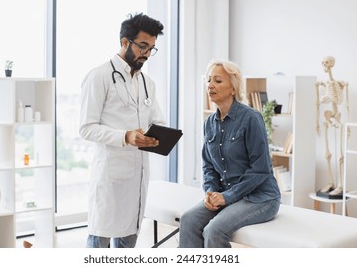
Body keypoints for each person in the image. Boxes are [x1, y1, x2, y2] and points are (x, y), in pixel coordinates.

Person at [79, 13, 165, 248]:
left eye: (151, 49)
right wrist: (125, 136)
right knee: (99, 245)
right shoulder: (99, 76)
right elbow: (86, 128)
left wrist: (160, 136)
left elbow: (157, 121)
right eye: (143, 46)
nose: (147, 54)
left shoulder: (147, 83)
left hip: (137, 178)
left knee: (128, 246)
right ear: (125, 42)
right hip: (111, 177)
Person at [179, 59, 281, 248]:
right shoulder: (209, 123)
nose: (210, 85)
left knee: (214, 230)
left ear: (233, 88)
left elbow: (260, 170)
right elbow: (208, 166)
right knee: (188, 220)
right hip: (226, 195)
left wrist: (228, 197)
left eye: (218, 81)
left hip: (260, 197)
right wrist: (210, 192)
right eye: (209, 80)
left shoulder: (251, 118)